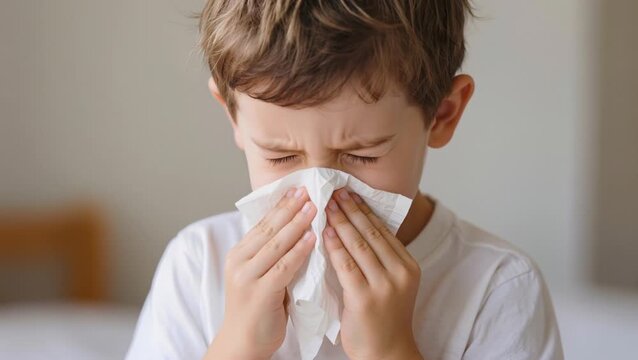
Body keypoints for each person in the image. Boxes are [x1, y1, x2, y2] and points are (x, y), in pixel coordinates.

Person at [126, 1, 564, 359]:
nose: (320, 192)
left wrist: (391, 351)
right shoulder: (198, 265)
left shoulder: (498, 286)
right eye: (281, 155)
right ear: (233, 116)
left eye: (362, 154)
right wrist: (240, 345)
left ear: (443, 115)